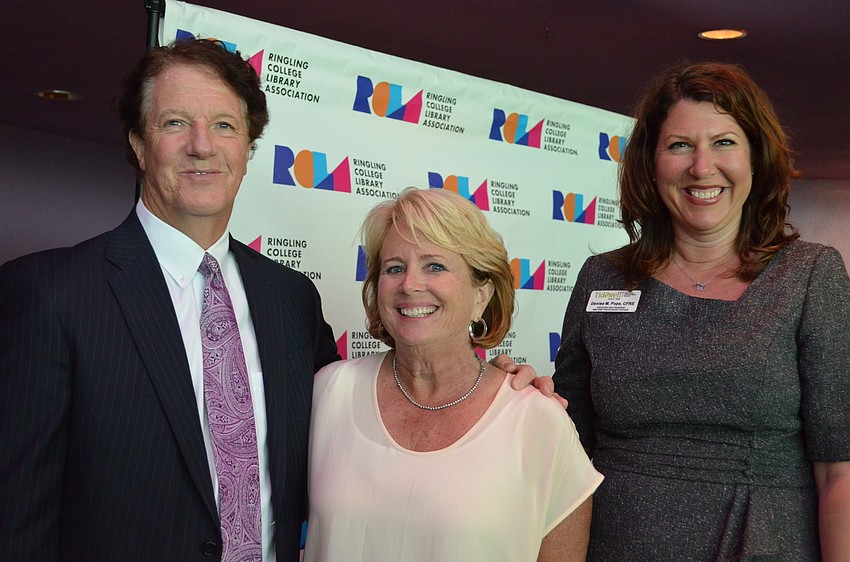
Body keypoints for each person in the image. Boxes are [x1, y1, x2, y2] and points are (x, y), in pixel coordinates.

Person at [0, 39, 543, 562]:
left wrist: (486, 386)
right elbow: (17, 520)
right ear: (139, 145)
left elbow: (370, 418)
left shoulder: (289, 299)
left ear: (247, 149)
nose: (202, 145)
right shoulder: (50, 293)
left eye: (224, 126)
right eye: (174, 123)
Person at [554, 60, 850, 560]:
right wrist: (501, 391)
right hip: (616, 542)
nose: (701, 167)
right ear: (650, 164)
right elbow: (563, 444)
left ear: (757, 158)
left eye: (724, 142)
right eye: (679, 145)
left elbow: (839, 470)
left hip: (763, 544)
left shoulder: (810, 276)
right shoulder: (600, 279)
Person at [304, 187, 603, 561]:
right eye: (395, 268)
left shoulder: (538, 421)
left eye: (435, 266)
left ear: (482, 294)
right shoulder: (328, 392)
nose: (410, 284)